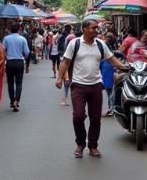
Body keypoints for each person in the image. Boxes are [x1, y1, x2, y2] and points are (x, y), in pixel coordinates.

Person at [55, 17, 129, 158]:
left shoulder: (100, 44)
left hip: (96, 86)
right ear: (84, 29)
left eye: (96, 27)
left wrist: (125, 66)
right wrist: (59, 78)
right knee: (78, 116)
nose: (97, 30)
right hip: (78, 86)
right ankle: (80, 144)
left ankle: (93, 146)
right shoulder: (74, 43)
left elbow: (111, 59)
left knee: (95, 119)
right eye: (93, 28)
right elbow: (65, 62)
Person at [2, 23, 30, 111]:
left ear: (10, 29)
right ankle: (16, 101)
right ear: (19, 30)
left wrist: (6, 57)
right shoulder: (22, 39)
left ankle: (11, 100)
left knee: (10, 83)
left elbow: (3, 50)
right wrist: (23, 59)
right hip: (19, 62)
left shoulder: (6, 38)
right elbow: (27, 53)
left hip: (9, 62)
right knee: (19, 83)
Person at [100, 33, 116, 116]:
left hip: (107, 70)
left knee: (109, 91)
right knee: (111, 91)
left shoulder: (104, 46)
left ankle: (111, 109)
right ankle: (111, 108)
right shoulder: (115, 48)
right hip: (110, 69)